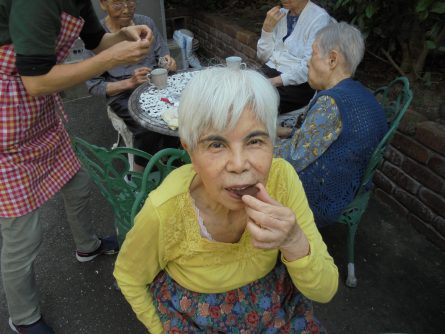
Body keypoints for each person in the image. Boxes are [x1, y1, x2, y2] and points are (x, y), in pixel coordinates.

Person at [114, 67, 339, 333]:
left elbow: (324, 291)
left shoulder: (283, 180)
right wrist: (160, 329)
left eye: (255, 140)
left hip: (274, 308)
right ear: (190, 151)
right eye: (216, 145)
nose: (238, 165)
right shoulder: (164, 210)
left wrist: (294, 241)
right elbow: (129, 277)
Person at [0, 0, 154, 332]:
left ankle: (88, 246)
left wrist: (122, 37)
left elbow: (98, 41)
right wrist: (112, 59)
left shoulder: (76, 1)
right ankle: (23, 317)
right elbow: (37, 81)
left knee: (77, 183)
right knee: (23, 234)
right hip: (7, 118)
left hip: (38, 113)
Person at [274, 22, 388, 227]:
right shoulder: (358, 93)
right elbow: (325, 136)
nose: (308, 62)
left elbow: (293, 158)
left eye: (312, 54)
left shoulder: (331, 102)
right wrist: (283, 131)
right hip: (350, 181)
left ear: (332, 59)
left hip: (326, 194)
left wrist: (257, 144)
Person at [86, 0, 178, 171]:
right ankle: (139, 175)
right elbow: (93, 86)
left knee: (179, 116)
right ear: (103, 4)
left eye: (130, 3)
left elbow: (162, 53)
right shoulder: (95, 35)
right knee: (147, 127)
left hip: (153, 84)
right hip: (121, 91)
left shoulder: (146, 22)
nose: (126, 10)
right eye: (118, 5)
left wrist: (167, 62)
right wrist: (130, 82)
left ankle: (174, 161)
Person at [257, 0, 331, 114]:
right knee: (235, 90)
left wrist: (271, 82)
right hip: (269, 73)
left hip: (297, 84)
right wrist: (266, 30)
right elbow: (263, 57)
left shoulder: (320, 18)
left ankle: (281, 131)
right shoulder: (280, 13)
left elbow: (309, 67)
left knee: (252, 102)